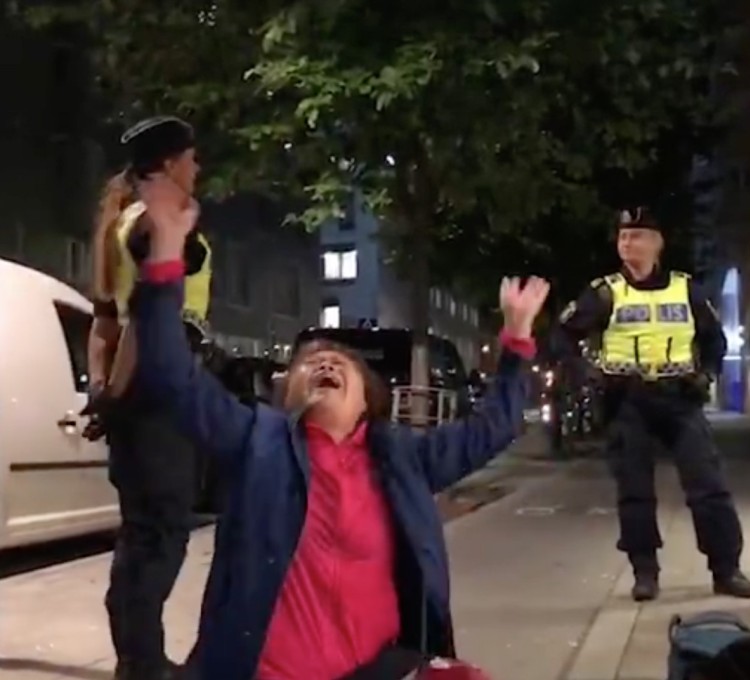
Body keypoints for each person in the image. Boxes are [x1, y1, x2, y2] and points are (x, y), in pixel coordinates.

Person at [130, 173, 549, 680]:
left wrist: (517, 337)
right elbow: (170, 377)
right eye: (311, 362)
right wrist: (164, 262)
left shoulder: (402, 460)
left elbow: (497, 424)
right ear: (288, 392)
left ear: (367, 399)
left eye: (340, 363)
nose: (325, 363)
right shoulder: (256, 443)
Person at [550, 207, 750, 602]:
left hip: (679, 398)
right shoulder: (604, 292)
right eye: (623, 236)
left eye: (637, 236)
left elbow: (715, 341)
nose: (628, 243)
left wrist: (707, 375)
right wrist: (587, 373)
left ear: (657, 243)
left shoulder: (686, 289)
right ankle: (644, 572)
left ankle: (726, 569)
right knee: (634, 490)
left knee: (708, 485)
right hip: (627, 399)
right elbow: (562, 337)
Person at [85, 116, 209, 679]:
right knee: (162, 532)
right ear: (167, 164)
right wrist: (119, 394)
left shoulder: (124, 223)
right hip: (159, 393)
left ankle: (137, 660)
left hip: (140, 396)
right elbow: (141, 322)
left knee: (142, 533)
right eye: (191, 157)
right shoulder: (150, 229)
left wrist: (103, 394)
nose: (197, 168)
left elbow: (103, 324)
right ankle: (146, 665)